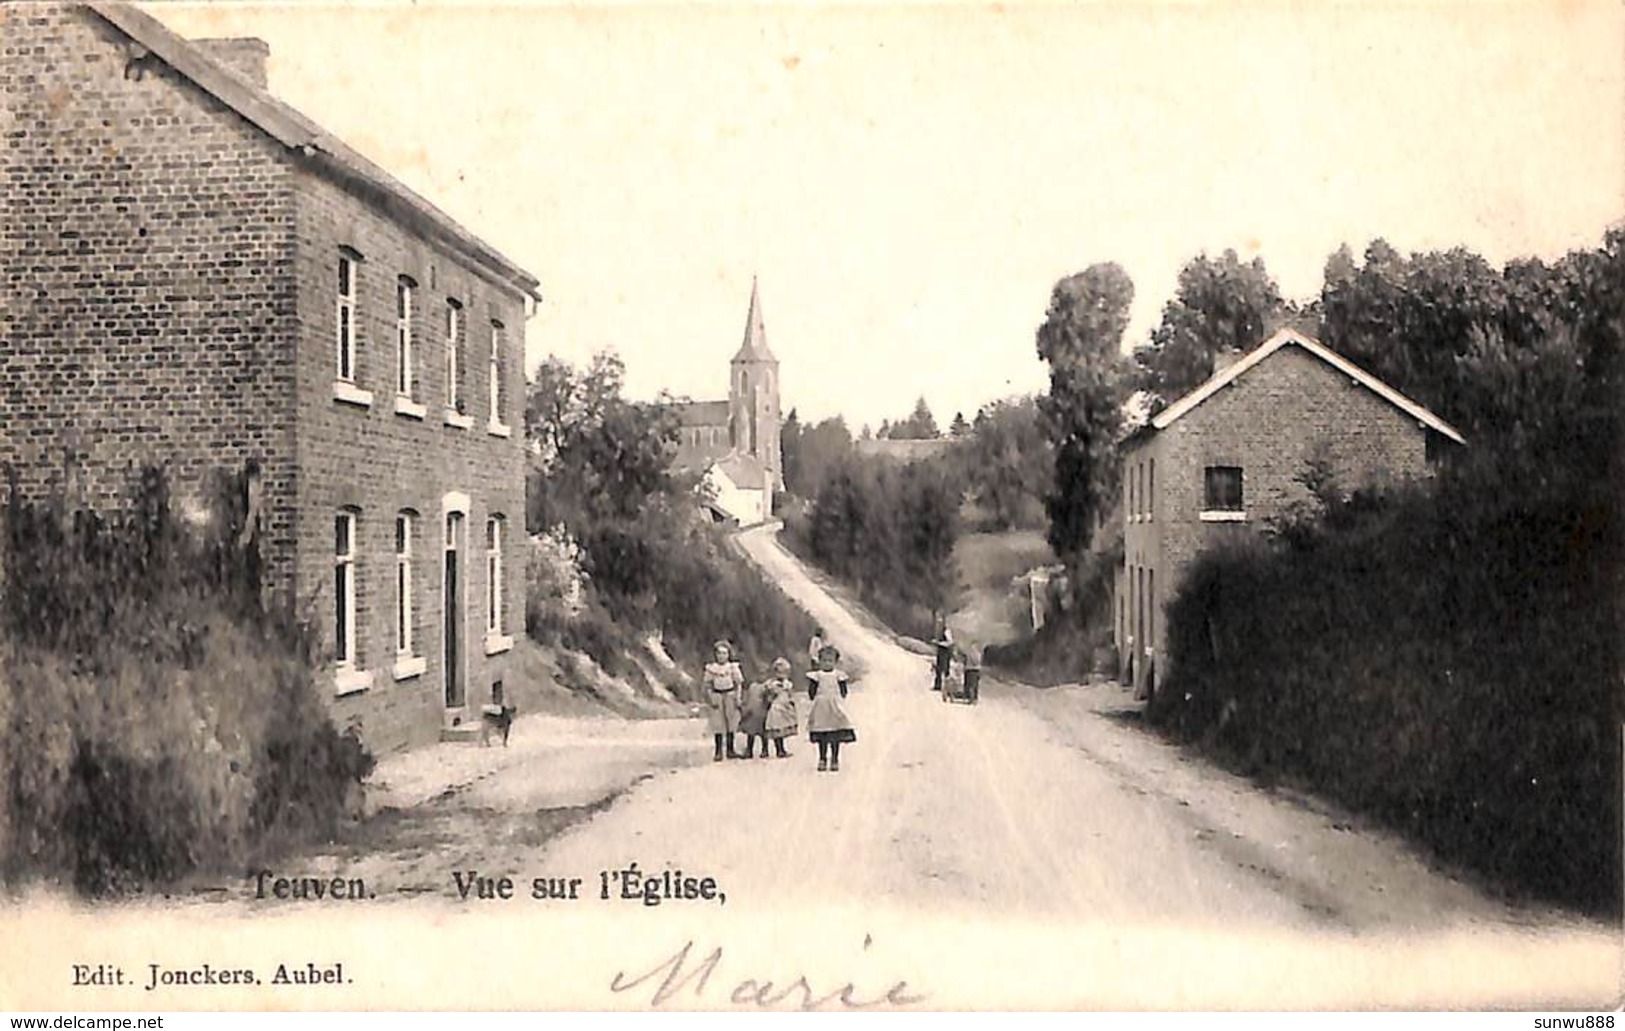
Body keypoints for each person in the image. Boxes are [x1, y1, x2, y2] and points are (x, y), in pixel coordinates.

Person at [806, 645, 856, 773]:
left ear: (835, 662)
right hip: (821, 706)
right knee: (822, 733)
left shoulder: (838, 675)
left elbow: (843, 690)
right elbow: (812, 690)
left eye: (830, 661)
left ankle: (834, 758)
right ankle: (822, 758)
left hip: (834, 705)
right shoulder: (817, 675)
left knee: (835, 733)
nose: (827, 664)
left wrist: (841, 696)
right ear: (819, 661)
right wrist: (813, 695)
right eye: (824, 661)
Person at [702, 640, 744, 761]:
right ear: (715, 654)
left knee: (731, 723)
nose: (722, 656)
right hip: (717, 696)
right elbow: (707, 685)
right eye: (719, 653)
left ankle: (730, 750)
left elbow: (738, 683)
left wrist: (738, 697)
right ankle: (718, 751)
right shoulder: (711, 669)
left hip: (730, 695)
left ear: (729, 654)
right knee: (718, 724)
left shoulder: (732, 667)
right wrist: (711, 698)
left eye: (724, 653)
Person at [761, 657, 798, 758]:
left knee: (782, 728)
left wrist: (791, 702)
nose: (781, 675)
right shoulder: (771, 684)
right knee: (776, 728)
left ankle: (781, 749)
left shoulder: (788, 684)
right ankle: (777, 749)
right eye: (778, 672)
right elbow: (767, 695)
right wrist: (771, 694)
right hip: (776, 707)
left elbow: (790, 695)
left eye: (784, 672)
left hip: (784, 707)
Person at [739, 676, 771, 759]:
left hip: (762, 711)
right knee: (750, 732)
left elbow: (768, 699)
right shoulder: (752, 686)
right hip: (752, 711)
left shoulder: (767, 686)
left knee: (763, 732)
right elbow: (748, 698)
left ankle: (765, 750)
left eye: (763, 673)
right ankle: (749, 750)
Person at [932, 617, 955, 694]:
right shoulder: (940, 631)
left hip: (945, 652)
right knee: (939, 669)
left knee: (945, 670)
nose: (938, 624)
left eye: (939, 623)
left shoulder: (946, 631)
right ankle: (938, 685)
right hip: (941, 651)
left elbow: (950, 642)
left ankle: (947, 687)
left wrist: (939, 643)